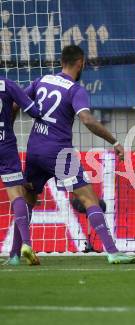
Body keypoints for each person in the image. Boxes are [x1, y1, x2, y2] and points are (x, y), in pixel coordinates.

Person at [8, 45, 135, 265]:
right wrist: (114, 141)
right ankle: (113, 252)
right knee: (89, 198)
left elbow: (14, 103)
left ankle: (14, 255)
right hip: (60, 153)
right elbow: (87, 120)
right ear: (81, 62)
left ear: (61, 62)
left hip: (34, 150)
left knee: (28, 199)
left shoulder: (42, 81)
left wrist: (10, 129)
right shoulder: (74, 90)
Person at [1, 77, 43, 266]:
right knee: (17, 195)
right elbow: (33, 110)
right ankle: (23, 247)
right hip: (5, 146)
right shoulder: (7, 84)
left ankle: (15, 254)